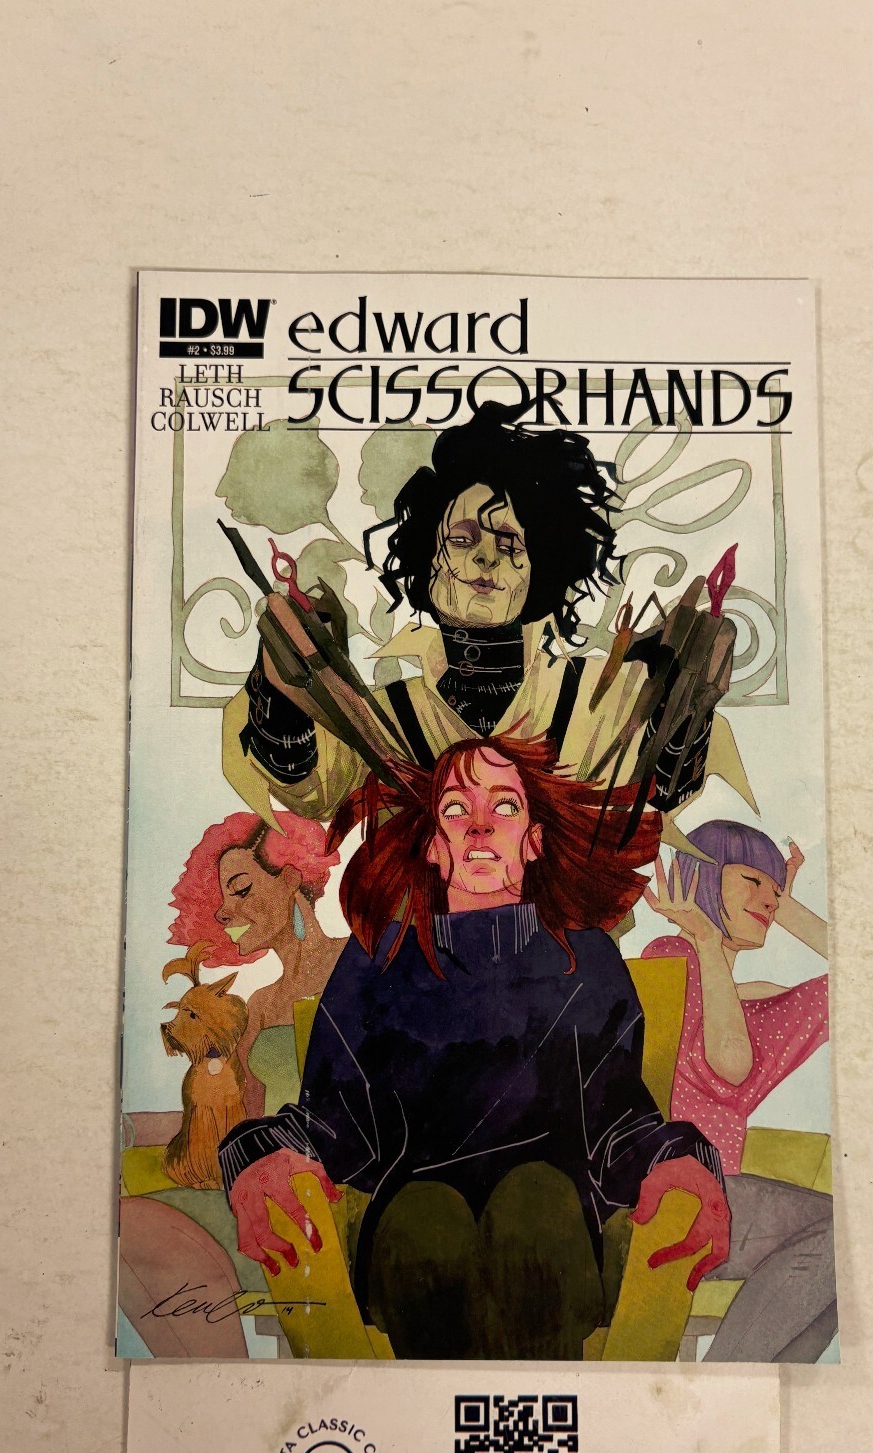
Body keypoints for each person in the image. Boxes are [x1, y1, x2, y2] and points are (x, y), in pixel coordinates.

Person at [217, 735, 730, 1360]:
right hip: (411, 1233)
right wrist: (256, 1156)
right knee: (424, 1215)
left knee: (534, 1199)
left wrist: (679, 1159)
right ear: (435, 846)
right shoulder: (379, 958)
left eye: (504, 806)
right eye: (456, 809)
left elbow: (618, 1118)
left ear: (533, 841)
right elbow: (333, 1121)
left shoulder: (586, 957)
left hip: (554, 1234)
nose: (480, 825)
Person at [222, 401, 752, 833]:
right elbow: (312, 794)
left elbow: (662, 794)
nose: (486, 558)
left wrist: (689, 704)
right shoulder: (382, 717)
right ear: (427, 561)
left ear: (539, 571)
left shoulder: (602, 696)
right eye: (462, 540)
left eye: (510, 544)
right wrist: (281, 690)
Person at [641, 820, 835, 1362]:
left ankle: (747, 1386)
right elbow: (728, 1064)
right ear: (700, 879)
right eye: (751, 880)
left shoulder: (761, 1009)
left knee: (848, 1260)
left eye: (775, 889)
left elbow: (870, 982)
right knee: (847, 1238)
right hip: (667, 1197)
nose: (767, 898)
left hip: (723, 1204)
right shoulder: (670, 956)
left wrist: (787, 908)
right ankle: (726, 1382)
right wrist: (706, 938)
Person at [167, 810, 347, 1119]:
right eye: (222, 899)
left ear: (289, 879)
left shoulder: (355, 958)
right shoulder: (260, 1006)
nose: (223, 912)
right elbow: (251, 1114)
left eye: (240, 889)